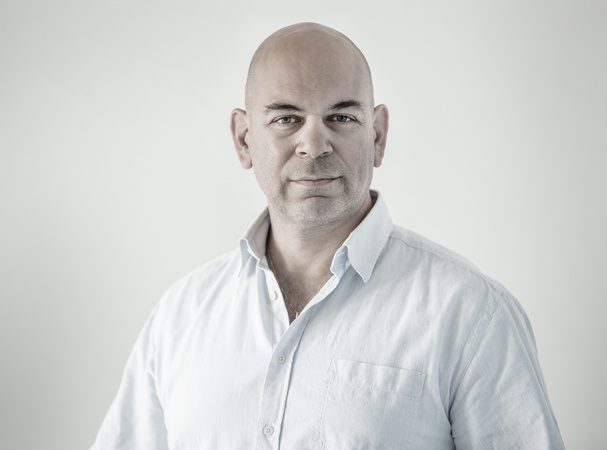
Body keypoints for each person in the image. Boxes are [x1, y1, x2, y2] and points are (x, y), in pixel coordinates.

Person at [91, 23, 565, 449]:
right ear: (243, 139)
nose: (314, 145)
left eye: (341, 117)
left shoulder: (471, 313)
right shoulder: (179, 318)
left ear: (377, 136)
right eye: (286, 118)